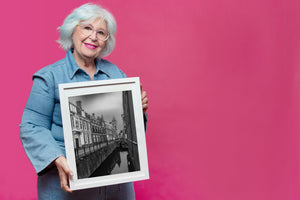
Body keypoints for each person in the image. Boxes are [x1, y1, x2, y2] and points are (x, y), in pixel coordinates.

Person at [19, 3, 148, 200]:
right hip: (65, 185)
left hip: (115, 189)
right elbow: (31, 126)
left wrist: (139, 111)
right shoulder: (49, 77)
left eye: (101, 32)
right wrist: (55, 157)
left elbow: (133, 132)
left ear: (106, 40)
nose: (93, 37)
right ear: (72, 30)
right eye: (87, 28)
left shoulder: (117, 75)